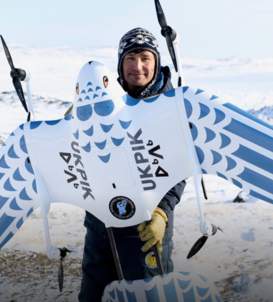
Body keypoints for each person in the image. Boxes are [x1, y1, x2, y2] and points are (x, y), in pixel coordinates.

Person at [77, 27, 186, 302]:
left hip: (146, 224)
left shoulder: (171, 107)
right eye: (130, 58)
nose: (137, 66)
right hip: (101, 225)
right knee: (93, 296)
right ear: (120, 63)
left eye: (145, 58)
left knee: (147, 296)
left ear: (156, 62)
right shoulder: (104, 102)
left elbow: (179, 168)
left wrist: (162, 213)